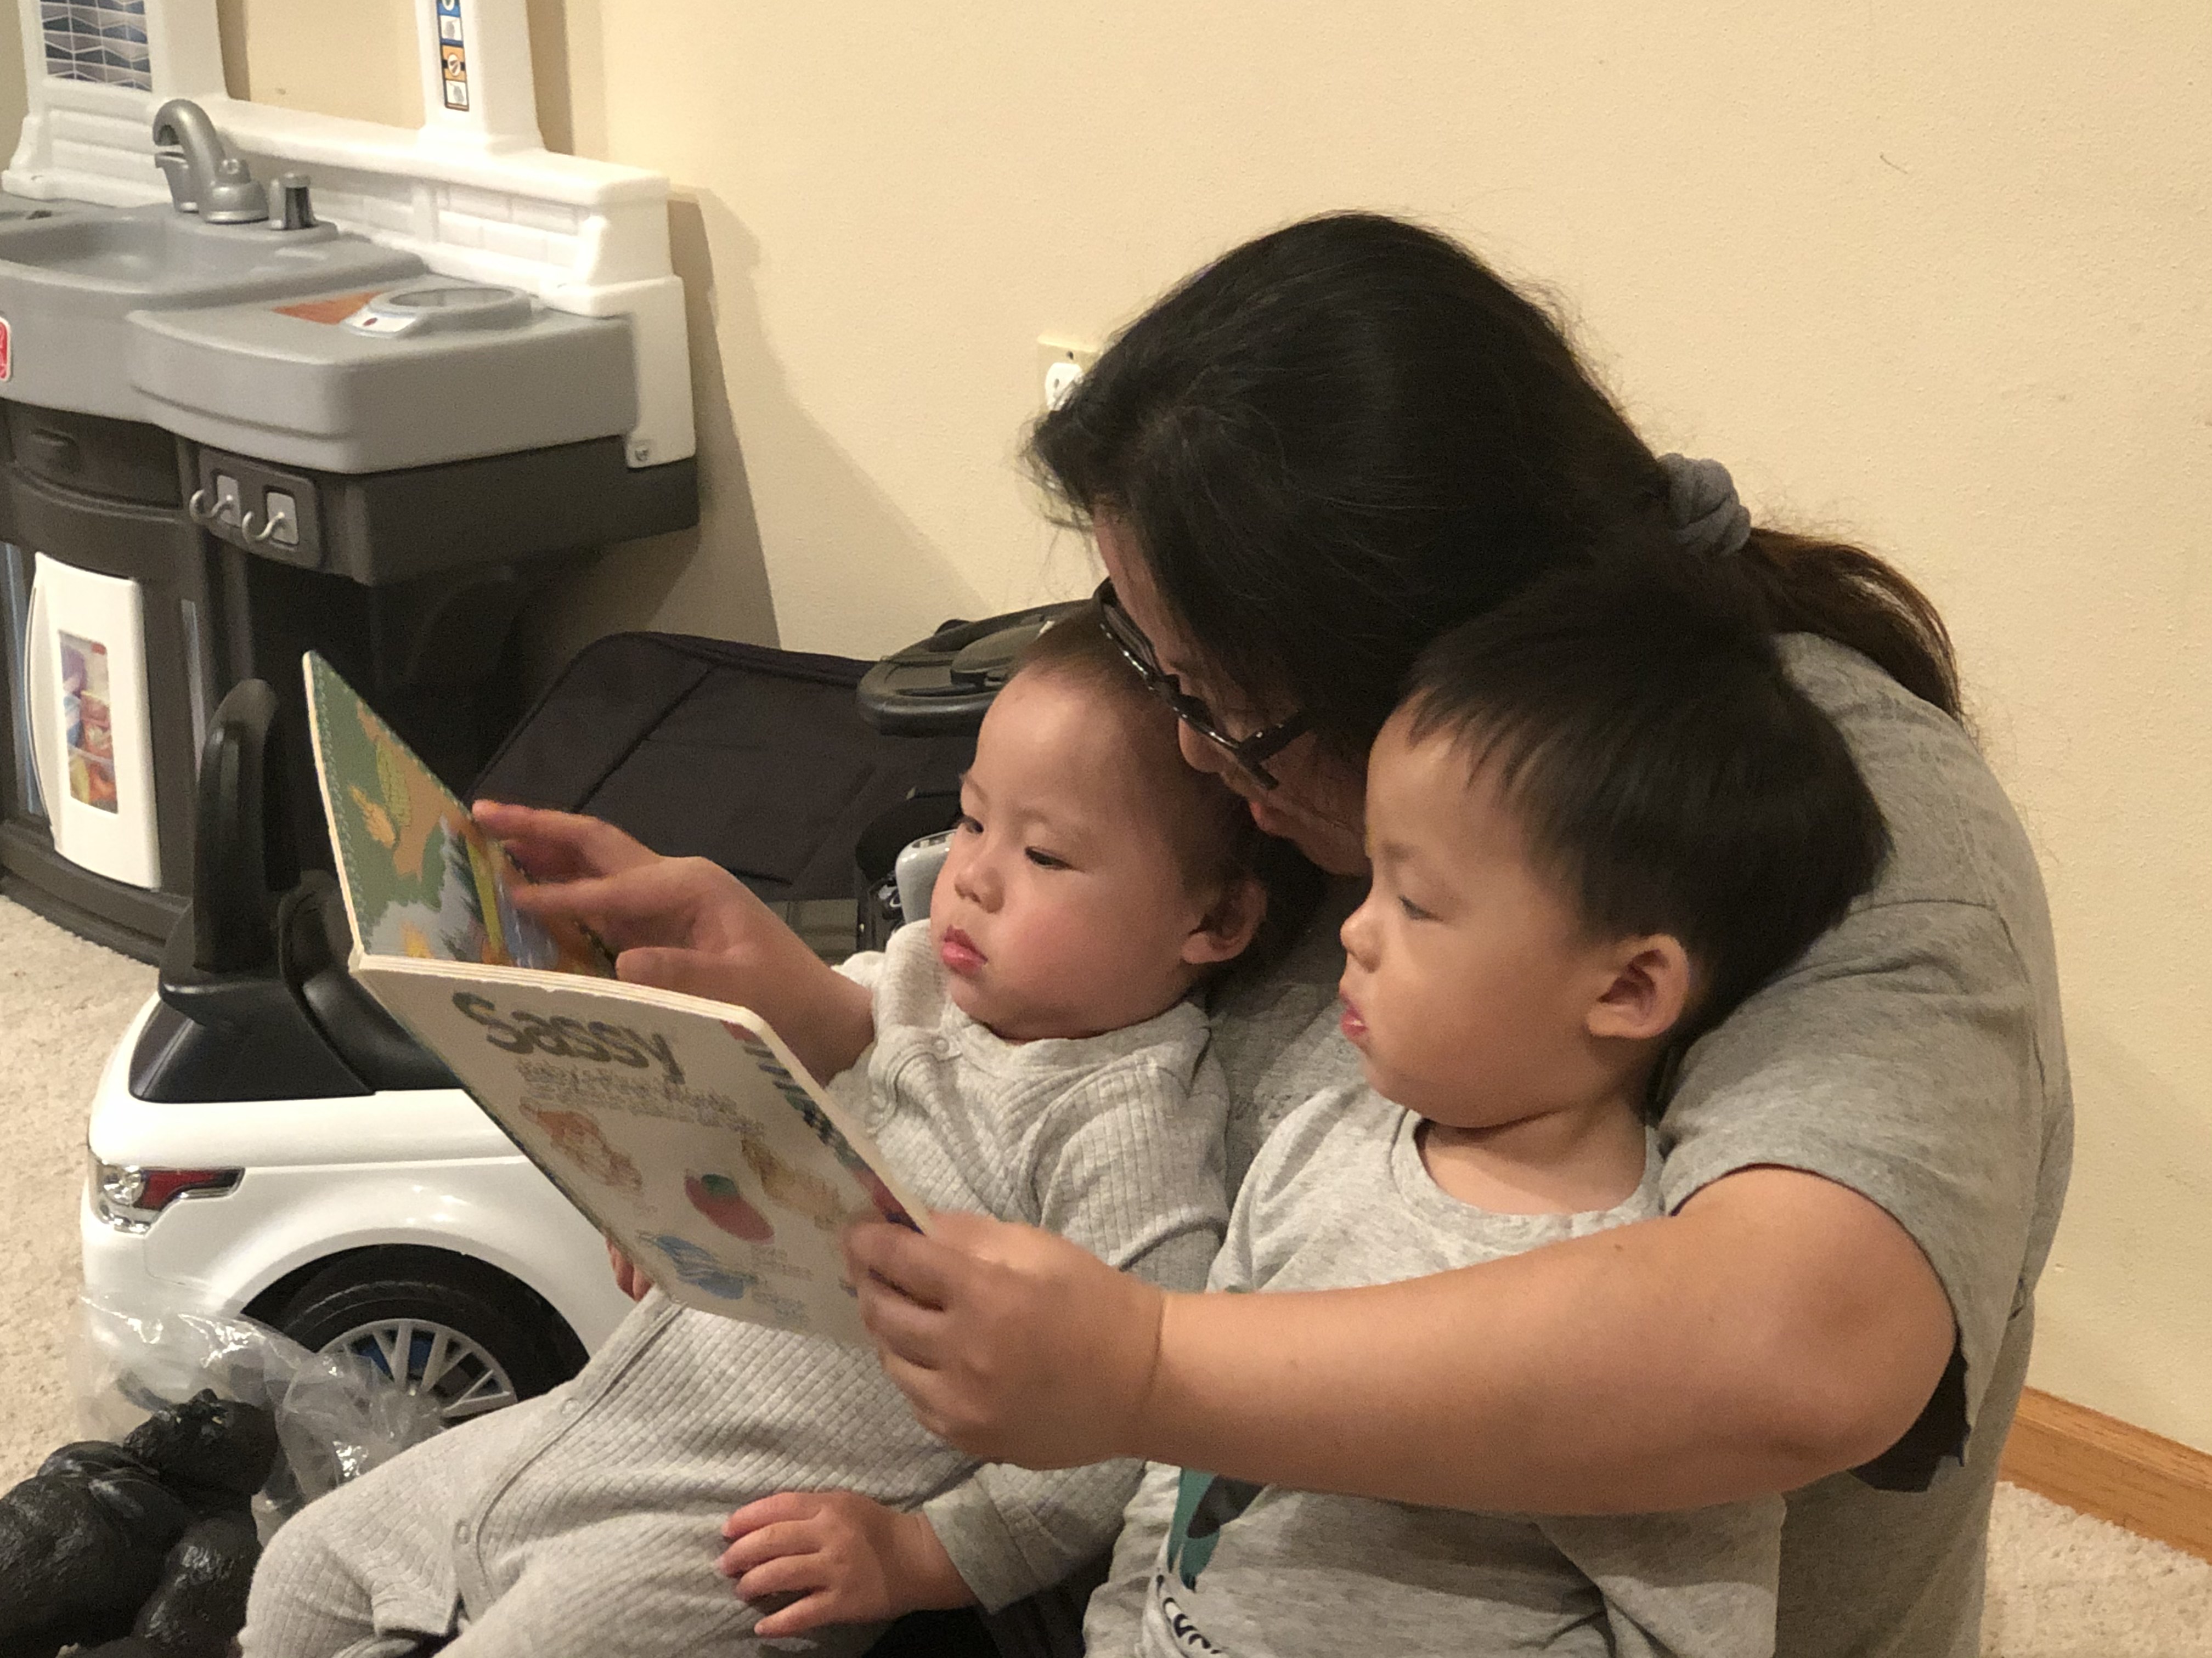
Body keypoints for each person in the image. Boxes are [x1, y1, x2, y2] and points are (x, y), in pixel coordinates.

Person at [483, 213, 2069, 1657]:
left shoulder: (1831, 817)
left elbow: (1799, 1346)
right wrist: (779, 1046)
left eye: (1219, 706)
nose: (1189, 749)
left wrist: (1152, 1373)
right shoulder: (1318, 777)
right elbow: (1067, 1080)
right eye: (1150, 665)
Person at [239, 607, 1269, 1658]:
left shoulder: (1131, 1122)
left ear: (1214, 921)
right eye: (968, 820)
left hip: (738, 1530)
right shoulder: (910, 976)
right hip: (592, 1425)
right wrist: (660, 1194)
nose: (973, 876)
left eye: (1045, 855)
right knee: (301, 1573)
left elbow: (1120, 1443)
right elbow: (755, 1129)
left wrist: (920, 1556)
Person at [1087, 562, 1888, 1658]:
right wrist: (1127, 1623)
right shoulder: (1320, 1140)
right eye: (1371, 879)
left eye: (1415, 902)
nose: (1356, 934)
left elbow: (1686, 1631)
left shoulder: (1643, 1319)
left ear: (1624, 989)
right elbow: (1193, 1438)